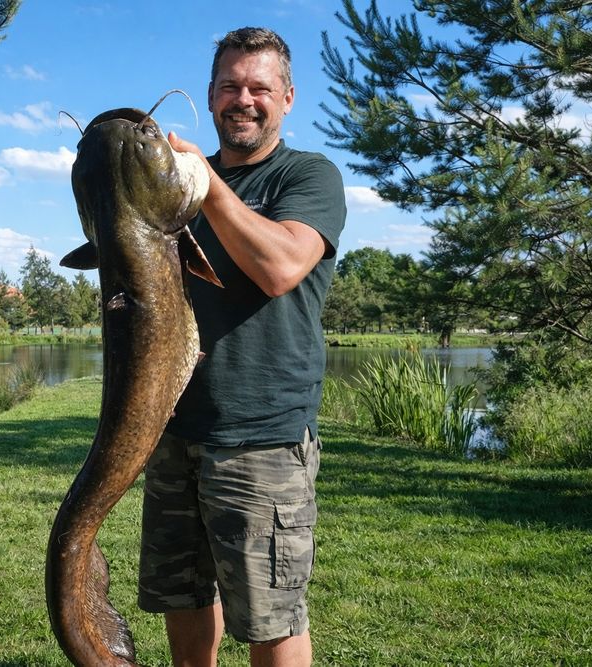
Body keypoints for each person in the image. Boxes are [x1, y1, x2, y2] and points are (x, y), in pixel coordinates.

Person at [137, 27, 346, 667]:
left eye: (260, 87)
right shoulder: (173, 188)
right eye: (230, 85)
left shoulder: (309, 175)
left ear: (287, 98)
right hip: (171, 425)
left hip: (261, 434)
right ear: (210, 94)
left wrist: (209, 185)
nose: (243, 99)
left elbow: (281, 267)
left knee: (270, 617)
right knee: (184, 594)